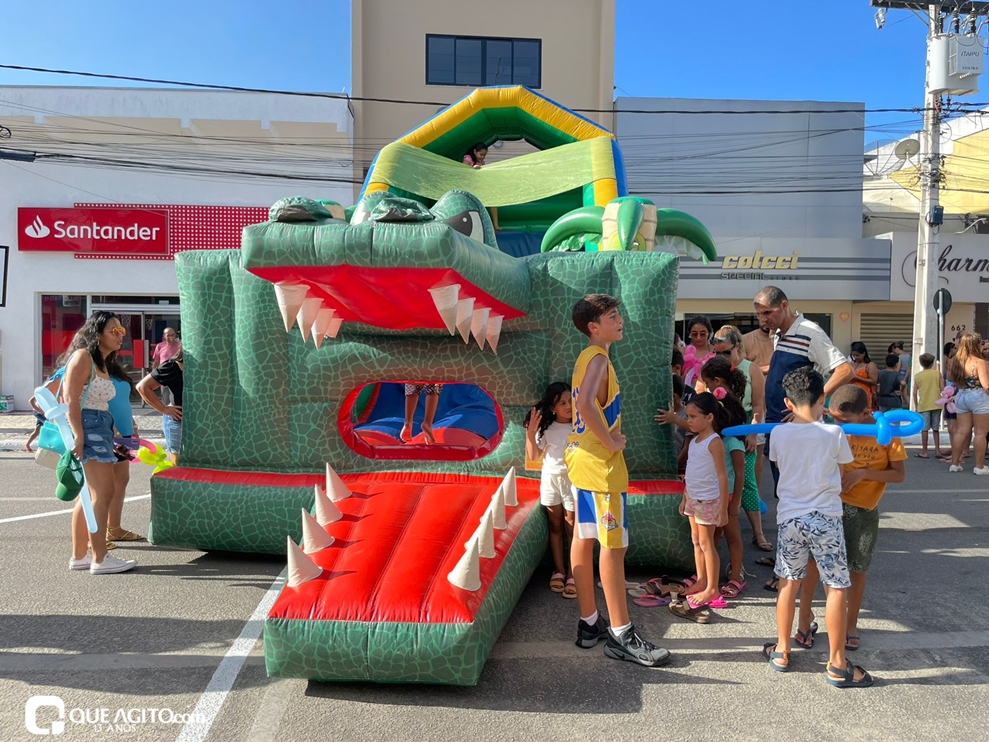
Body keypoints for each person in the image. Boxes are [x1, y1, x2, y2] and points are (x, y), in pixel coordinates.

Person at [566, 294, 670, 667]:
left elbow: (582, 402)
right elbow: (585, 403)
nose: (620, 320)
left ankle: (590, 622)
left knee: (583, 536)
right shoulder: (598, 357)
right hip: (600, 466)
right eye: (613, 316)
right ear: (595, 327)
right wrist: (610, 440)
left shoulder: (584, 357)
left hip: (581, 460)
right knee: (613, 548)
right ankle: (622, 634)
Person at [763, 367, 873, 687]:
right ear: (823, 398)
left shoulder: (779, 433)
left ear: (787, 401)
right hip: (825, 516)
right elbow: (840, 467)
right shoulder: (834, 433)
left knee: (789, 583)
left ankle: (782, 650)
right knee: (836, 586)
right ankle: (837, 663)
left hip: (790, 518)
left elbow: (780, 464)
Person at [795, 384, 906, 654]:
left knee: (857, 568)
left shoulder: (886, 434)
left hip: (863, 510)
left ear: (866, 413)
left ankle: (851, 623)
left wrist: (864, 473)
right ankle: (804, 618)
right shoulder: (833, 431)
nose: (838, 425)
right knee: (812, 564)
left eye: (844, 421)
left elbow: (899, 474)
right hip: (827, 504)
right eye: (833, 418)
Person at [754, 285, 854, 498]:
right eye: (759, 315)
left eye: (767, 313)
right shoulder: (779, 335)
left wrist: (810, 404)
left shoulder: (810, 332)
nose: (762, 320)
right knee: (784, 491)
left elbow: (844, 370)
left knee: (803, 491)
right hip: (777, 425)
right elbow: (783, 370)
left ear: (784, 306)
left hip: (800, 427)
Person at [64, 311, 138, 575]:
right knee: (103, 493)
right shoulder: (83, 357)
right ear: (97, 334)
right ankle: (99, 557)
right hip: (89, 427)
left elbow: (96, 402)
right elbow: (71, 399)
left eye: (122, 331)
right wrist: (78, 435)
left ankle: (80, 556)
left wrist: (114, 429)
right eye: (113, 331)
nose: (120, 335)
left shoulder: (102, 362)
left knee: (89, 496)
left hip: (101, 426)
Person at [670, 391, 730, 621]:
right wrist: (685, 497)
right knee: (696, 541)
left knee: (707, 544)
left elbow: (722, 477)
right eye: (689, 416)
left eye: (694, 416)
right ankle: (702, 579)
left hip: (708, 501)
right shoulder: (695, 440)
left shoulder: (714, 443)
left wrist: (723, 507)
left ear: (710, 418)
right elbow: (692, 473)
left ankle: (712, 587)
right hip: (694, 499)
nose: (690, 420)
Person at [713, 325, 772, 553]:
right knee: (719, 480)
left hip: (745, 425)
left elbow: (758, 405)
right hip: (719, 427)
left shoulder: (751, 369)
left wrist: (752, 432)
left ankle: (758, 533)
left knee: (747, 481)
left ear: (737, 347)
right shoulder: (713, 369)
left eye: (726, 352)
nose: (721, 357)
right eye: (717, 353)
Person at [699, 356, 750, 599]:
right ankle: (709, 577)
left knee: (732, 536)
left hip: (728, 496)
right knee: (714, 536)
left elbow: (740, 472)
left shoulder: (731, 442)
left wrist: (735, 502)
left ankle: (736, 575)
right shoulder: (715, 441)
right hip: (713, 496)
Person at [525, 382, 576, 599]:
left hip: (573, 481)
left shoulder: (580, 426)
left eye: (570, 401)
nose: (568, 406)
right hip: (550, 481)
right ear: (553, 408)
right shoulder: (547, 428)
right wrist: (530, 433)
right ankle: (559, 571)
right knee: (555, 526)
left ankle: (575, 573)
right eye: (562, 403)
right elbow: (534, 455)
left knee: (572, 528)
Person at [946, 332, 989, 475]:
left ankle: (954, 463)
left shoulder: (954, 360)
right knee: (980, 432)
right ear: (975, 344)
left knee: (961, 431)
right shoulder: (979, 362)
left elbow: (950, 377)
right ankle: (979, 466)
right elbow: (986, 385)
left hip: (961, 395)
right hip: (977, 395)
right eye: (981, 343)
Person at [137, 351, 184, 463]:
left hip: (203, 423)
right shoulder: (174, 365)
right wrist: (163, 409)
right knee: (179, 466)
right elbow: (142, 386)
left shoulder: (209, 365)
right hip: (179, 421)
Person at [913, 353, 945, 459]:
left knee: (924, 429)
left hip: (924, 404)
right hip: (937, 403)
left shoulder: (917, 376)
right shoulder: (937, 374)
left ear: (921, 364)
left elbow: (914, 392)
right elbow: (942, 389)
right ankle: (937, 450)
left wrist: (916, 405)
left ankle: (925, 451)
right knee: (936, 429)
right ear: (932, 363)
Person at [152, 328, 181, 406]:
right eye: (168, 335)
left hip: (176, 376)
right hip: (164, 375)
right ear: (164, 336)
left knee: (176, 399)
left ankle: (175, 416)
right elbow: (156, 362)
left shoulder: (179, 346)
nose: (171, 337)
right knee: (165, 397)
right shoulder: (159, 346)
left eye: (173, 335)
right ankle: (166, 415)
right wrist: (153, 375)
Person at [848, 342, 878, 411]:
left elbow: (874, 381)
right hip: (850, 393)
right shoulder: (851, 364)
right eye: (853, 356)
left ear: (864, 353)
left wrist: (856, 378)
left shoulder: (869, 365)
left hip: (864, 394)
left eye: (857, 355)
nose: (855, 357)